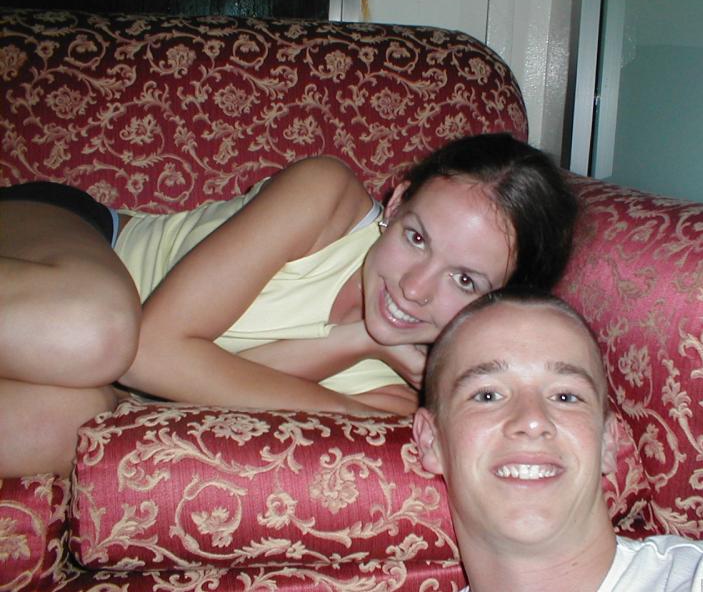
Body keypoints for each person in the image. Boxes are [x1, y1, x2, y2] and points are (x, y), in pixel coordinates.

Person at [0, 132, 578, 478]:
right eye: (417, 237)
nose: (414, 288)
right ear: (397, 202)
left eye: (465, 280)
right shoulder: (326, 198)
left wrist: (358, 340)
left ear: (497, 303)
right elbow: (148, 353)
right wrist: (354, 400)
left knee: (65, 428)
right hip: (79, 245)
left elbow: (183, 390)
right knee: (91, 331)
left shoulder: (399, 394)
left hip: (98, 375)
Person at [413, 288, 703, 592]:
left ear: (608, 443)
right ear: (431, 440)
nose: (532, 420)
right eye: (487, 395)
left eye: (566, 396)